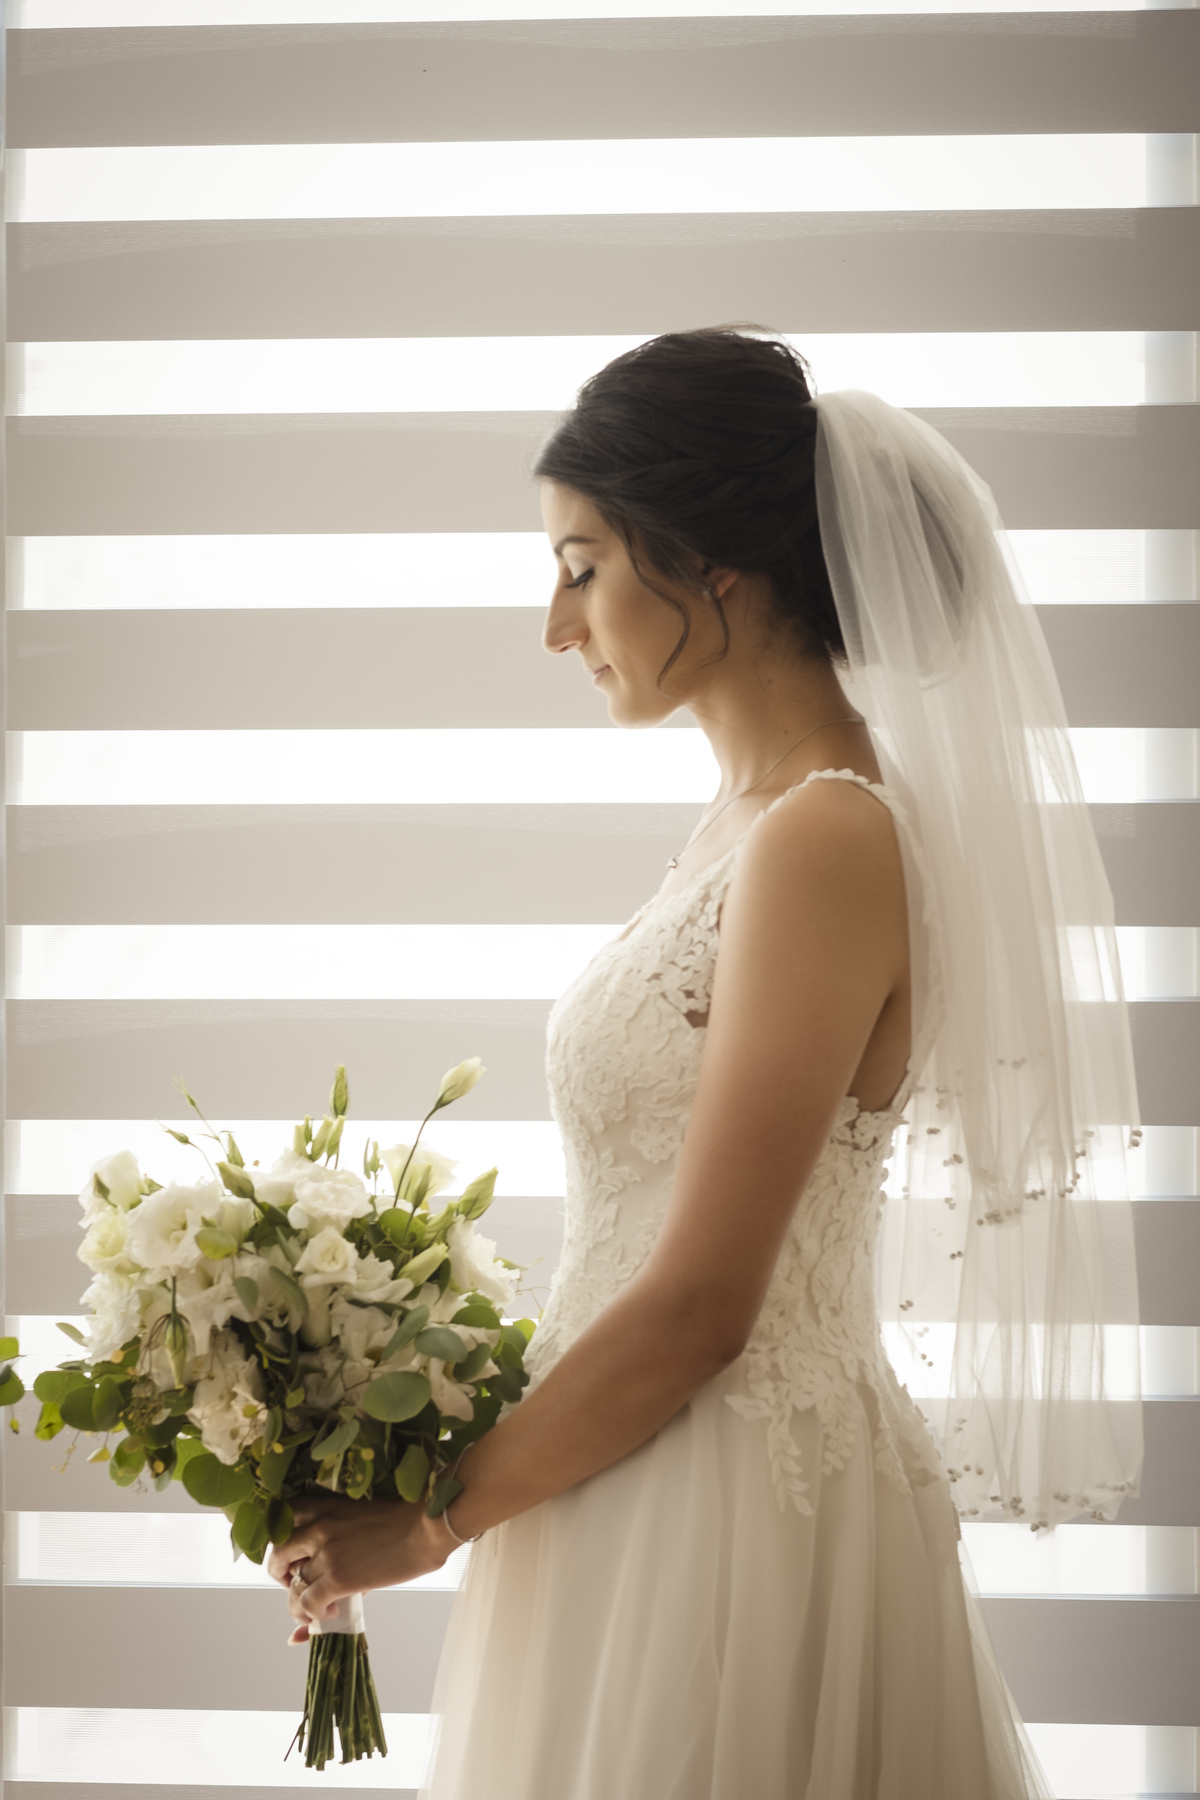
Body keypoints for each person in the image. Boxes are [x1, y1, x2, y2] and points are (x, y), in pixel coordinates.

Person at [269, 330, 1142, 1799]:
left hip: (725, 1504)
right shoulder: (743, 823)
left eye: (584, 563)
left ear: (714, 563)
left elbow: (703, 1303)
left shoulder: (827, 834)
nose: (558, 624)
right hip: (615, 1468)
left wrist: (430, 1522)